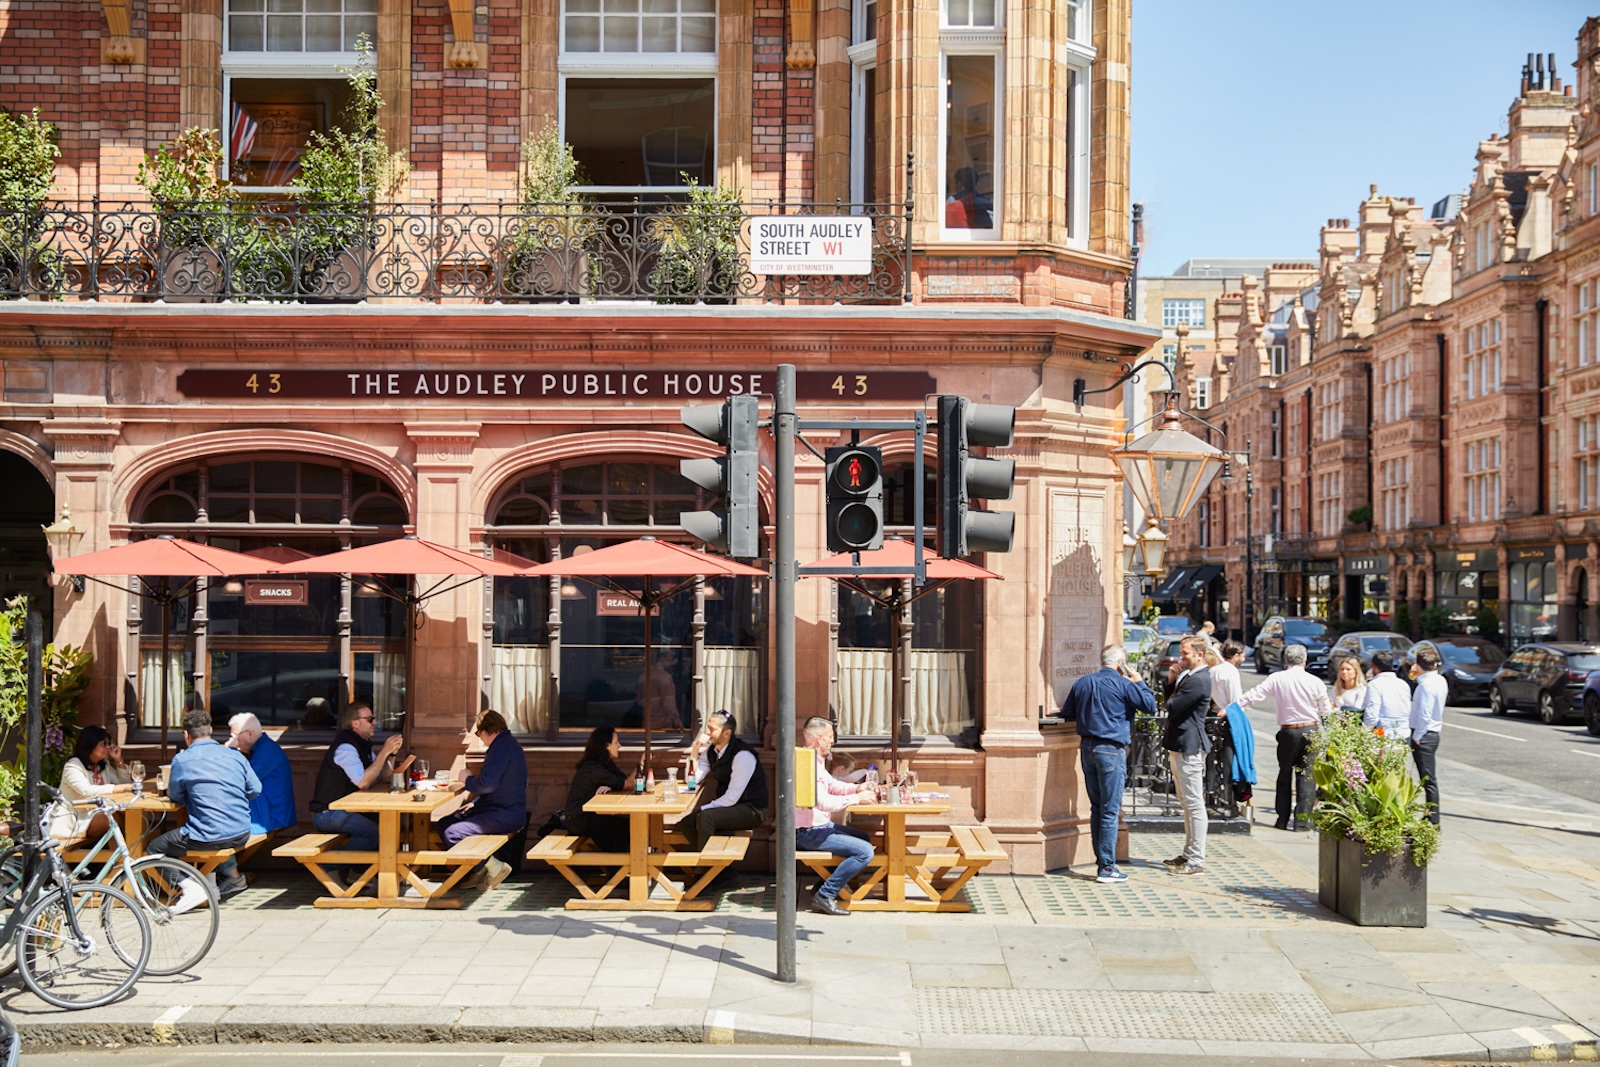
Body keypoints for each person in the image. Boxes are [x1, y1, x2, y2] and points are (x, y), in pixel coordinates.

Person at [152, 709, 262, 911]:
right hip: (241, 832)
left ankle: (191, 888)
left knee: (155, 848)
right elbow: (255, 789)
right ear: (210, 730)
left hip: (208, 835)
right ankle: (208, 885)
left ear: (186, 735)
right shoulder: (235, 756)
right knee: (201, 830)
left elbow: (175, 796)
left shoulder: (182, 760)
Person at [1064, 644, 1155, 884]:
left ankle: (1102, 862)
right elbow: (1150, 705)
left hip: (1087, 749)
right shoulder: (1125, 684)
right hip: (1111, 750)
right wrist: (1138, 681)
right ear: (1121, 663)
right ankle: (1106, 868)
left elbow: (1068, 712)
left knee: (1097, 808)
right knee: (1109, 810)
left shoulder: (1082, 682)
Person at [1236, 643, 1334, 831]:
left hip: (1289, 731)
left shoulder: (1277, 678)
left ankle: (1282, 819)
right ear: (1304, 661)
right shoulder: (1315, 681)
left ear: (1285, 660)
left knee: (1284, 774)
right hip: (1311, 729)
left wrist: (1233, 707)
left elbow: (1254, 695)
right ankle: (1302, 822)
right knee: (1307, 776)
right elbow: (1325, 711)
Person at [309, 701, 404, 875]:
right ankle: (331, 870)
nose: (374, 722)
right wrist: (383, 752)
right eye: (369, 719)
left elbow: (382, 776)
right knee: (374, 833)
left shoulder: (363, 743)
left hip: (347, 809)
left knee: (392, 825)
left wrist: (391, 755)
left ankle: (360, 872)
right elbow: (363, 782)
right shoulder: (346, 747)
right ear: (355, 723)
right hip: (328, 812)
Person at [796, 716, 876, 915]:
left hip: (819, 826)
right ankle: (825, 895)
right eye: (830, 737)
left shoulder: (815, 760)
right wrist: (858, 799)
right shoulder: (807, 765)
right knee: (865, 851)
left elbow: (832, 785)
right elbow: (823, 802)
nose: (833, 741)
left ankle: (823, 885)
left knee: (863, 838)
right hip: (808, 832)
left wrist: (858, 788)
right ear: (819, 739)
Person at [440, 709, 527, 890]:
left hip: (503, 814)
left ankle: (494, 867)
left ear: (486, 731)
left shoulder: (501, 748)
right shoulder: (508, 744)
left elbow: (487, 785)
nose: (480, 738)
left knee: (452, 833)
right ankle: (478, 870)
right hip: (502, 810)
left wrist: (466, 779)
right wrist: (474, 802)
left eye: (479, 734)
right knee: (444, 823)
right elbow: (500, 786)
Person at [680, 710, 768, 857]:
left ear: (726, 733)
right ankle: (719, 871)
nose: (707, 733)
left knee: (706, 817)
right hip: (730, 806)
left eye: (712, 729)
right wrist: (695, 749)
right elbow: (692, 780)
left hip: (752, 809)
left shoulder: (742, 755)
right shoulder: (711, 752)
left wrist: (704, 808)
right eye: (707, 728)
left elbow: (732, 797)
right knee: (686, 823)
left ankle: (706, 872)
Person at [1161, 636, 1212, 875]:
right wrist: (1172, 680)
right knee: (1186, 803)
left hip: (1189, 745)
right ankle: (1188, 853)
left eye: (1185, 654)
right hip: (1181, 744)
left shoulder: (1199, 679)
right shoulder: (1189, 676)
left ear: (1199, 654)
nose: (1181, 658)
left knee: (1193, 803)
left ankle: (1195, 859)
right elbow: (1171, 700)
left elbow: (1172, 707)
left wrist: (1172, 687)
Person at [52, 725, 134, 843]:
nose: (108, 747)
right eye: (103, 744)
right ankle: (124, 858)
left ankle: (126, 857)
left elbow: (124, 783)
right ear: (89, 744)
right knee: (113, 818)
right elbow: (87, 791)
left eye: (108, 743)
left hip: (95, 815)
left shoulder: (102, 765)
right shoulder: (73, 766)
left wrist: (118, 761)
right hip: (74, 820)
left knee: (129, 815)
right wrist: (122, 787)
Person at [227, 713, 296, 839]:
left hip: (271, 816)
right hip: (266, 811)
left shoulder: (267, 751)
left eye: (235, 736)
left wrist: (230, 751)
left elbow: (239, 781)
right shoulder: (261, 747)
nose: (232, 740)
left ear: (250, 734)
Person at [563, 726, 632, 853]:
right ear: (607, 745)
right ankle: (615, 869)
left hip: (589, 816)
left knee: (617, 831)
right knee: (626, 827)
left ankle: (616, 865)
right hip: (578, 820)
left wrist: (610, 785)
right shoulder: (594, 768)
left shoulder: (605, 762)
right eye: (616, 742)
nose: (619, 746)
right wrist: (642, 764)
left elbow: (621, 779)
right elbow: (628, 784)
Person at [1410, 646, 1446, 826]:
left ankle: (1433, 818)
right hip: (1433, 732)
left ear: (1418, 665)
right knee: (1429, 777)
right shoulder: (1440, 680)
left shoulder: (1425, 686)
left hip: (1424, 735)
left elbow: (1424, 714)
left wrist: (1417, 735)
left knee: (1428, 778)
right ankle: (1431, 815)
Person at [1361, 651, 1412, 737]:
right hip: (1404, 733)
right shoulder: (1403, 684)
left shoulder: (1374, 685)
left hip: (1385, 735)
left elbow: (1371, 714)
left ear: (1374, 667)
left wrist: (1365, 732)